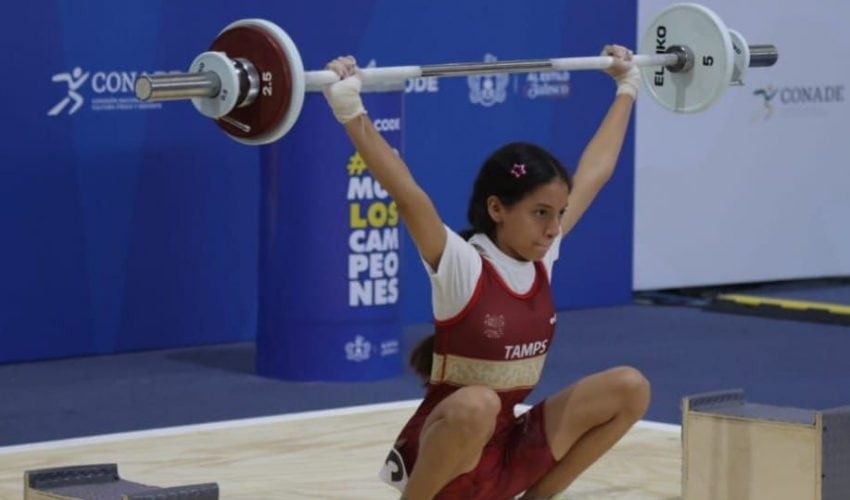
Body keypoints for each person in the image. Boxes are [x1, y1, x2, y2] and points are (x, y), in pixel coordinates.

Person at [323, 44, 650, 500]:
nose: (553, 228)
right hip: (449, 458)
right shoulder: (463, 265)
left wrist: (627, 87)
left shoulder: (543, 252)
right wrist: (349, 108)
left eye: (559, 214)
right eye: (540, 213)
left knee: (630, 388)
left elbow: (597, 171)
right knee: (477, 403)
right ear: (497, 209)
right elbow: (407, 192)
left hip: (507, 449)